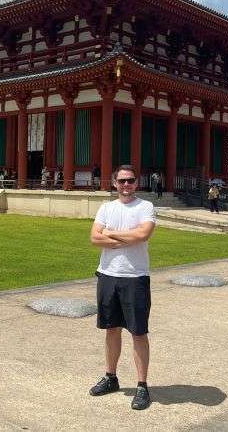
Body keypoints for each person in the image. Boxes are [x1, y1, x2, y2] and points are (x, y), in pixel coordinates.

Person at [89, 165, 155, 411]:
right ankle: (111, 377)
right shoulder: (106, 207)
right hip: (108, 275)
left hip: (135, 277)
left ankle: (142, 385)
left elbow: (143, 235)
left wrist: (110, 233)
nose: (126, 185)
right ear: (114, 183)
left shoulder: (145, 207)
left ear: (136, 183)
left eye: (130, 181)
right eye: (122, 181)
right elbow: (94, 238)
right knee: (111, 329)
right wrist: (127, 236)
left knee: (138, 332)